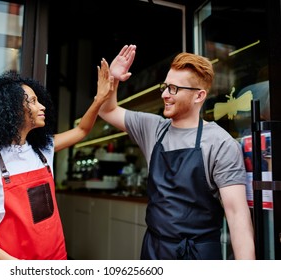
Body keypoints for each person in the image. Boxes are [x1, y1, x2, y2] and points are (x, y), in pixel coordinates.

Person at [99, 45, 255, 259]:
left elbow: (237, 216)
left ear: (199, 96)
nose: (164, 94)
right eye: (165, 86)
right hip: (155, 250)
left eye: (173, 88)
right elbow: (107, 110)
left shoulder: (221, 143)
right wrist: (113, 80)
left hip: (198, 256)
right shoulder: (152, 128)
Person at [0, 59, 114, 260]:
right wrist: (12, 264)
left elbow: (81, 130)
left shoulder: (43, 150)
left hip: (56, 258)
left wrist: (99, 99)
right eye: (32, 101)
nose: (42, 106)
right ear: (13, 110)